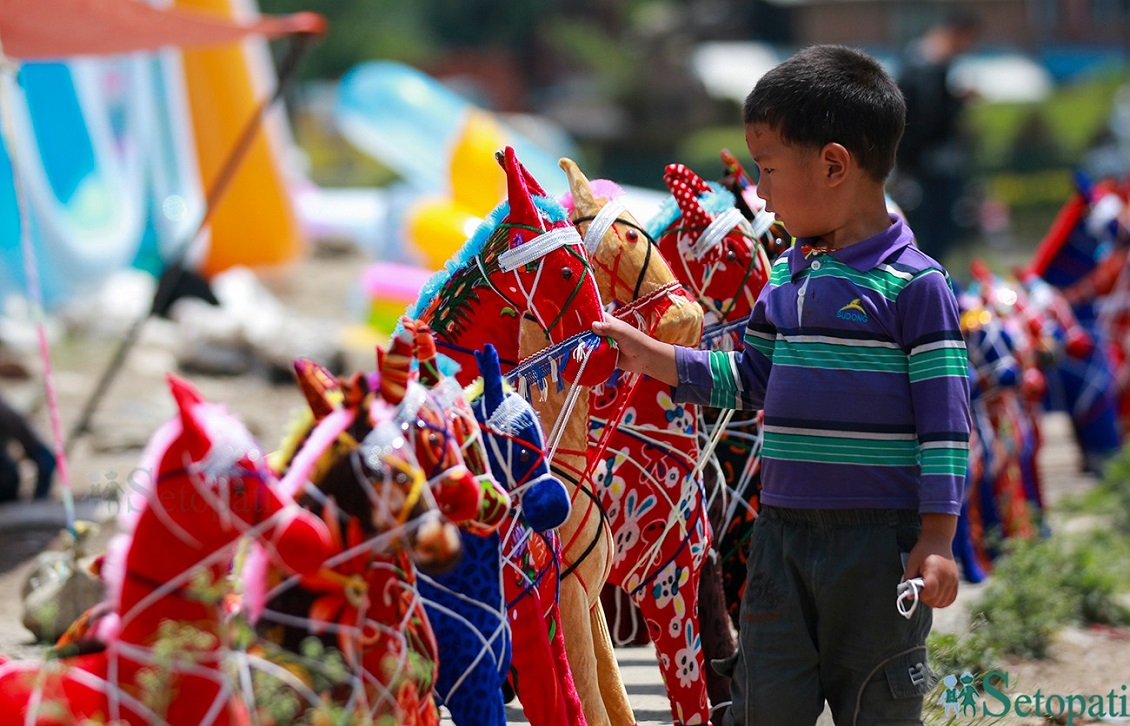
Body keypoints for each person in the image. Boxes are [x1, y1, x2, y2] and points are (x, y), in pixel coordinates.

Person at [593, 44, 971, 725]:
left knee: (877, 703)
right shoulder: (786, 276)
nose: (760, 192)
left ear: (833, 165)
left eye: (767, 169)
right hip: (782, 539)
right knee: (765, 702)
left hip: (878, 548)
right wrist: (655, 359)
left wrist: (937, 539)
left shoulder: (917, 287)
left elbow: (946, 426)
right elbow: (754, 378)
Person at [894, 11, 980, 263]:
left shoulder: (920, 62)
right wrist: (957, 103)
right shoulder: (928, 64)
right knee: (933, 233)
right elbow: (928, 118)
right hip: (930, 166)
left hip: (919, 164)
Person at [0, 392, 56, 502]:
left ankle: (36, 503)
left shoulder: (5, 413)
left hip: (32, 445)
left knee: (9, 475)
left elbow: (46, 459)